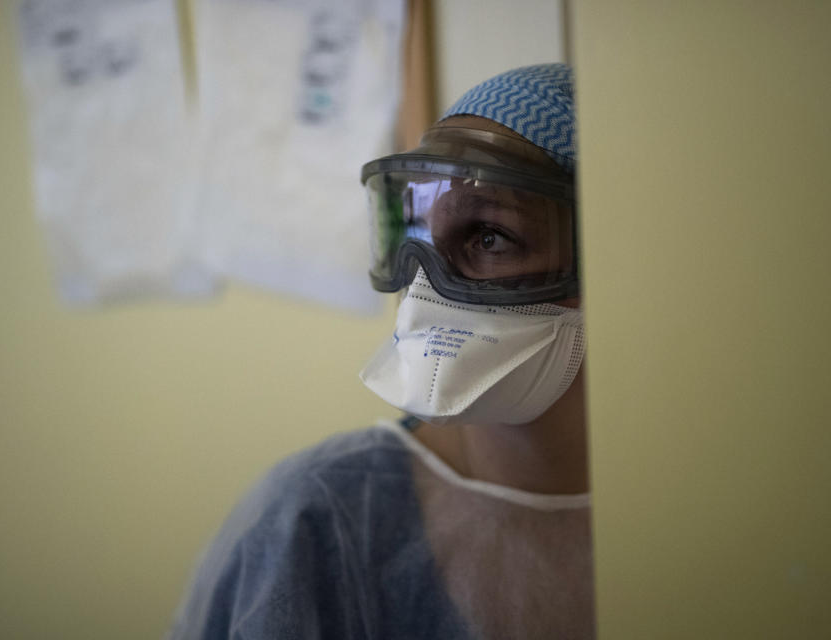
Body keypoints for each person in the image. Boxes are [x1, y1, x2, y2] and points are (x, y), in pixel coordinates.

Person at [169, 63, 593, 640]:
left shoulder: (706, 499)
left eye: (489, 237)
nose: (426, 286)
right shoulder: (313, 521)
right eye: (414, 234)